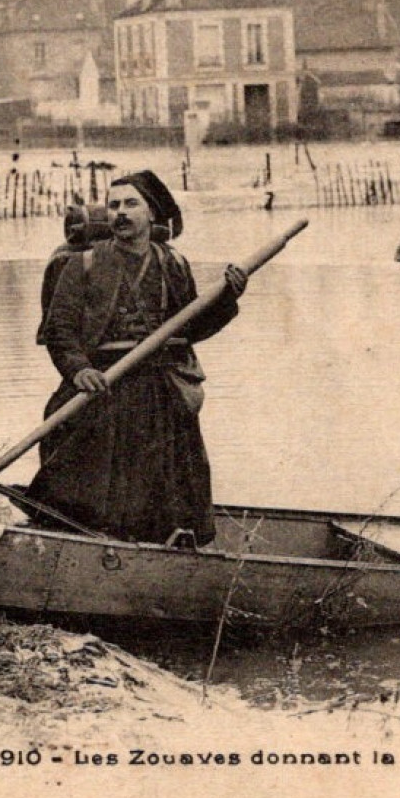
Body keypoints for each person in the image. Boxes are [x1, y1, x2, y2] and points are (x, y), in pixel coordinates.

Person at [25, 171, 248, 547]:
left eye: (131, 204)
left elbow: (190, 329)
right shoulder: (82, 265)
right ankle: (82, 545)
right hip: (103, 386)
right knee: (82, 483)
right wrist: (79, 370)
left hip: (161, 391)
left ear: (151, 213)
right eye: (114, 206)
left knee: (170, 485)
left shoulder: (173, 264)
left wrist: (227, 300)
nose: (121, 213)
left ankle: (166, 549)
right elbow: (59, 331)